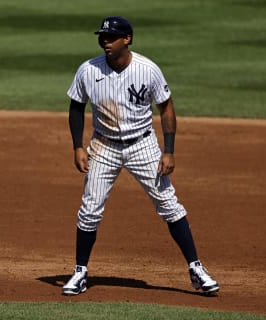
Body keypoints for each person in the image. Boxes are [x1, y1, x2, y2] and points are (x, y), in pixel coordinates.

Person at [62, 16, 219, 296]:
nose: (105, 42)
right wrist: (77, 145)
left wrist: (168, 151)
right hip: (103, 146)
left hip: (142, 145)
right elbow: (76, 107)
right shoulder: (88, 70)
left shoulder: (148, 70)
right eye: (102, 38)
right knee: (89, 211)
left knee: (169, 205)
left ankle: (196, 268)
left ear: (127, 39)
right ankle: (79, 272)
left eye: (111, 38)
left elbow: (166, 108)